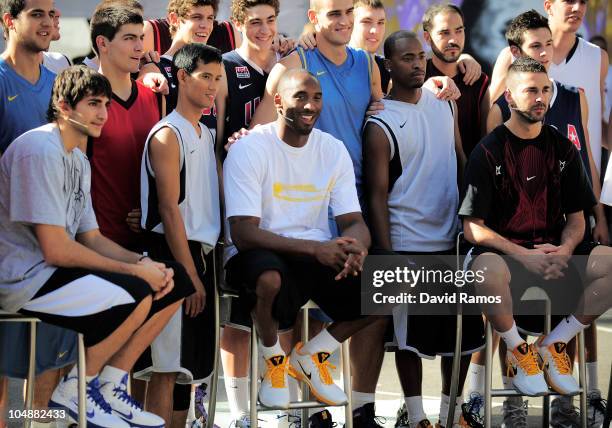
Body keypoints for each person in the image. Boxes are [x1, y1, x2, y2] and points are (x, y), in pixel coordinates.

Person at [0, 65, 194, 428]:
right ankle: (78, 389)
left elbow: (91, 238)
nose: (103, 113)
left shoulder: (77, 158)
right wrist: (136, 271)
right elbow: (56, 249)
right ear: (63, 106)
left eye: (105, 104)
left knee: (174, 281)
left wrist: (145, 262)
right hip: (22, 280)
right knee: (137, 289)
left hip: (55, 273)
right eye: (93, 103)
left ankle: (107, 385)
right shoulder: (39, 149)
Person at [460, 57, 612, 425]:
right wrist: (521, 255)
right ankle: (518, 350)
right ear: (509, 97)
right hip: (504, 256)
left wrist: (565, 248)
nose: (540, 97)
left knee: (610, 263)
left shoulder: (563, 147)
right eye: (531, 90)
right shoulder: (488, 150)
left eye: (545, 89)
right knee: (487, 270)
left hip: (552, 254)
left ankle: (553, 343)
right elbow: (472, 229)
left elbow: (577, 219)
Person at [224, 67, 379, 409]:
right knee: (269, 277)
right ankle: (272, 359)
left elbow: (353, 220)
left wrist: (357, 246)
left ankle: (314, 353)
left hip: (314, 253)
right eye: (301, 97)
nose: (310, 105)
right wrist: (316, 249)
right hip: (259, 249)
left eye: (317, 97)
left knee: (392, 282)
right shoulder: (250, 148)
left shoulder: (332, 149)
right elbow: (244, 233)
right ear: (278, 101)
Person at [363, 30, 480, 428]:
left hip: (451, 238)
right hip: (407, 241)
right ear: (389, 64)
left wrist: (470, 221)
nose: (416, 64)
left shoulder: (443, 103)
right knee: (407, 340)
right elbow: (376, 195)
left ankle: (450, 414)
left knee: (462, 337)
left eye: (420, 57)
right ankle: (416, 418)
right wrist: (385, 252)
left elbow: (461, 158)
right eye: (406, 58)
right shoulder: (381, 122)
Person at [137, 43, 222, 428]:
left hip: (200, 255)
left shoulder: (205, 132)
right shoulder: (167, 134)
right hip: (171, 259)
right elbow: (170, 210)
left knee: (188, 372)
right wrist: (188, 276)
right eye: (205, 76)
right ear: (183, 76)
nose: (213, 86)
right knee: (165, 367)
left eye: (218, 79)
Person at [138, 0, 219, 130]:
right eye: (196, 17)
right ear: (174, 19)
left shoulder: (217, 69)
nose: (205, 25)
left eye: (210, 18)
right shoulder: (155, 67)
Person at [422, 3, 490, 156]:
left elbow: (487, 137)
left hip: (470, 174)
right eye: (444, 33)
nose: (453, 39)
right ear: (427, 37)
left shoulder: (479, 81)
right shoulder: (417, 78)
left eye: (459, 31)